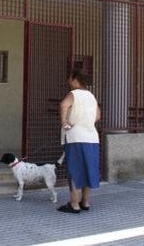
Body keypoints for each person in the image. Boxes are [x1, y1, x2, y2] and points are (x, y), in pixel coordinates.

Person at [57, 70, 101, 214]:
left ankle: (74, 204)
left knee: (75, 170)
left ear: (75, 80)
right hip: (92, 138)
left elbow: (63, 105)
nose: (68, 82)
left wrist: (64, 121)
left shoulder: (74, 94)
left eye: (70, 79)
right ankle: (85, 202)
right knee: (88, 169)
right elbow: (98, 115)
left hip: (76, 137)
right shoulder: (91, 96)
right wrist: (86, 122)